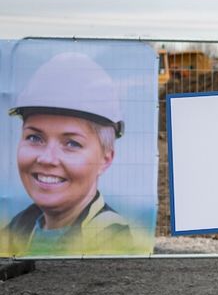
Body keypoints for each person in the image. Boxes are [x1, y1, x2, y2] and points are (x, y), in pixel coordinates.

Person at [5, 52, 133, 256]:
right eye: (34, 138)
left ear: (105, 159)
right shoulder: (19, 227)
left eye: (72, 143)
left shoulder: (108, 237)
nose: (47, 158)